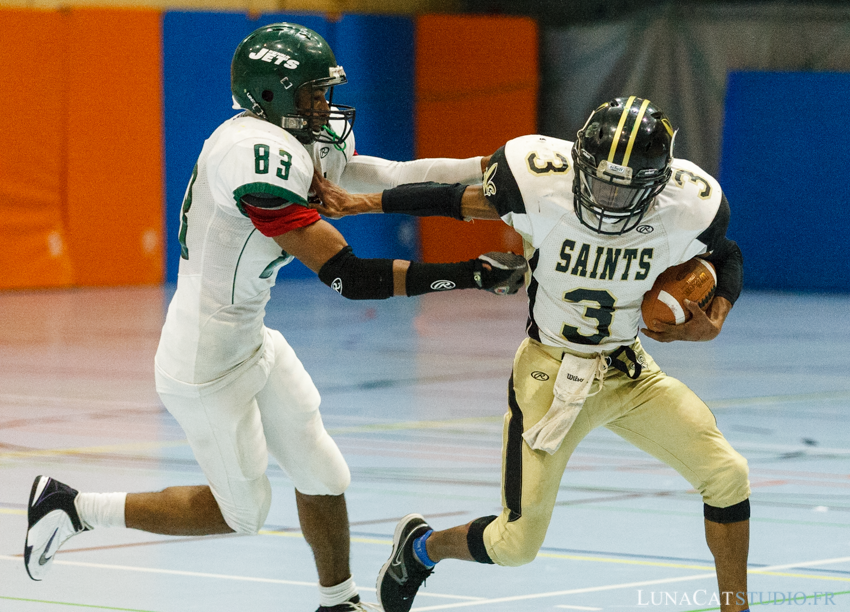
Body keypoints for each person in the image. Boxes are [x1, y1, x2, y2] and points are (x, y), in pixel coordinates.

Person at [22, 23, 526, 612]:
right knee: (243, 513)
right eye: (312, 94)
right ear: (271, 96)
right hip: (204, 359)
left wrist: (481, 166)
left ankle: (338, 603)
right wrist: (467, 274)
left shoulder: (286, 140)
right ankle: (72, 506)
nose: (324, 107)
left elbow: (385, 176)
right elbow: (349, 277)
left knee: (324, 472)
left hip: (250, 337)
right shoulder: (252, 157)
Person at [310, 96, 751, 612]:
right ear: (580, 158)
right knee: (514, 545)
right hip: (552, 372)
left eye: (623, 188)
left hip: (630, 371)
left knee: (728, 475)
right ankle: (421, 548)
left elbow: (726, 253)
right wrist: (360, 203)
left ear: (658, 183)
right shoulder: (540, 180)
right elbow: (459, 199)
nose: (608, 198)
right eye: (601, 181)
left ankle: (735, 606)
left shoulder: (690, 204)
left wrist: (714, 319)